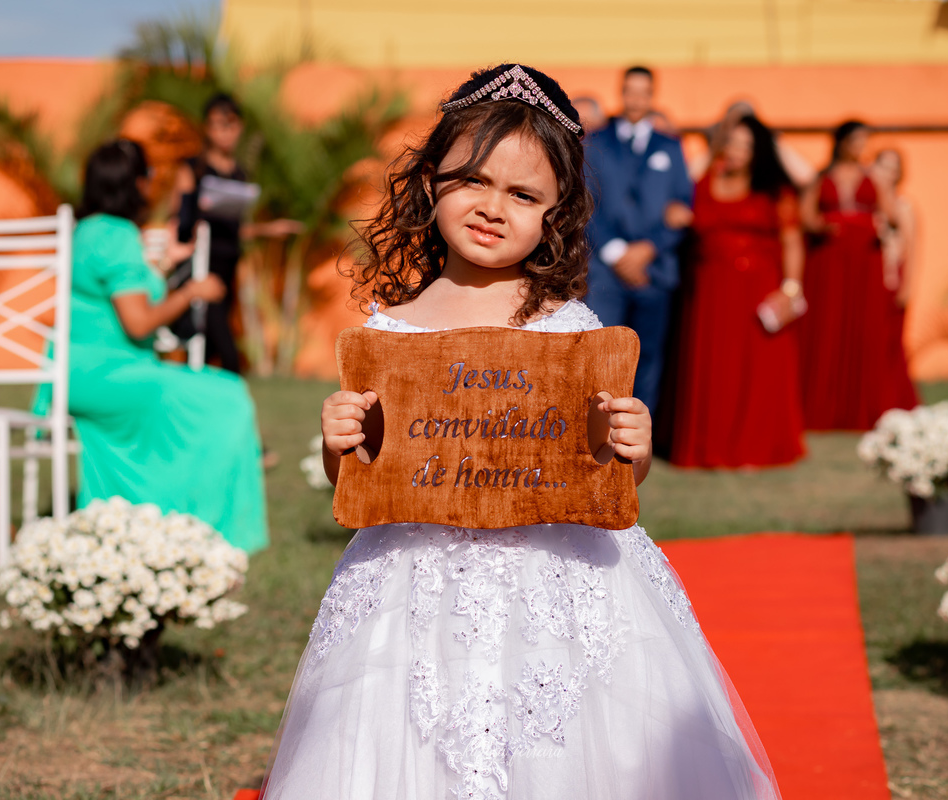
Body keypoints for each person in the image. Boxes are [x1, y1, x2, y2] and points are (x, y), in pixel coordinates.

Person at [259, 65, 780, 800]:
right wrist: (338, 439)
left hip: (559, 581)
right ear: (432, 181)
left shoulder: (571, 330)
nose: (492, 207)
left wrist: (631, 446)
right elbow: (363, 475)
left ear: (554, 213)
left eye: (523, 194)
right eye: (473, 180)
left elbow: (605, 473)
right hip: (415, 582)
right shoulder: (389, 333)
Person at [45, 139, 269, 553]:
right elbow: (139, 323)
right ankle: (204, 527)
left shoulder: (87, 231)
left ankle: (154, 517)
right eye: (148, 176)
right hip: (109, 378)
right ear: (135, 184)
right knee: (230, 397)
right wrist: (192, 291)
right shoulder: (117, 235)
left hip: (78, 374)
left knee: (217, 391)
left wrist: (165, 267)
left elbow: (121, 298)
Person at [669, 114, 806, 468]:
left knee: (756, 372)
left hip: (758, 292)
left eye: (747, 145)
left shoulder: (775, 190)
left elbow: (792, 241)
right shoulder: (704, 182)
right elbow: (681, 185)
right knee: (715, 371)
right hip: (710, 292)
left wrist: (791, 290)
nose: (737, 151)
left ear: (760, 150)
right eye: (732, 142)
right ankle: (708, 449)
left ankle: (753, 451)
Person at [584, 66, 693, 415]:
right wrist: (617, 253)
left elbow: (683, 206)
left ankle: (641, 436)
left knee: (649, 357)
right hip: (605, 272)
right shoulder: (595, 142)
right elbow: (585, 203)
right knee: (604, 354)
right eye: (630, 90)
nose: (636, 98)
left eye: (643, 92)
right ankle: (600, 430)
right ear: (622, 92)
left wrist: (649, 249)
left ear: (651, 96)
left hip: (654, 270)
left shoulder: (670, 147)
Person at [171, 93, 303, 374]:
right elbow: (180, 222)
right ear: (207, 128)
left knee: (209, 350)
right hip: (202, 268)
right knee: (225, 353)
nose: (225, 133)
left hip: (228, 265)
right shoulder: (193, 169)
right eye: (218, 125)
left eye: (231, 125)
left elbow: (235, 229)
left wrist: (269, 229)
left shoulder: (239, 174)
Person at [798, 120, 908, 431]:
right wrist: (821, 225)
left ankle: (861, 408)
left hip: (864, 261)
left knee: (862, 326)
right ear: (842, 142)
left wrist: (874, 223)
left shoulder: (873, 177)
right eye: (856, 140)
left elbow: (891, 215)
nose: (860, 146)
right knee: (826, 325)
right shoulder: (822, 176)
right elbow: (805, 215)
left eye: (864, 141)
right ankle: (821, 407)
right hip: (828, 260)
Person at [872, 148, 921, 411]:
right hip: (870, 278)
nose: (887, 173)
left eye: (893, 168)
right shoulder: (868, 205)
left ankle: (894, 401)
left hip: (892, 277)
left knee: (890, 342)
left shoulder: (903, 207)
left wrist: (907, 287)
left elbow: (911, 250)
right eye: (883, 166)